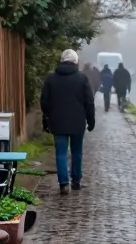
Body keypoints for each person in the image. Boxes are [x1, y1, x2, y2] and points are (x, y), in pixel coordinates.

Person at [40, 48, 95, 194]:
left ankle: (64, 183)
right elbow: (89, 102)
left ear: (61, 61)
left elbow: (44, 102)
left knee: (61, 153)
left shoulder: (51, 79)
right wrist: (91, 120)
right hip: (78, 122)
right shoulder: (82, 78)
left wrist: (46, 120)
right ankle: (76, 181)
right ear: (76, 62)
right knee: (77, 152)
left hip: (57, 121)